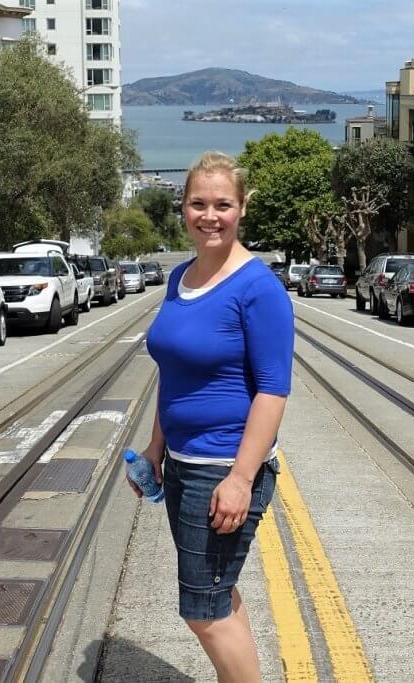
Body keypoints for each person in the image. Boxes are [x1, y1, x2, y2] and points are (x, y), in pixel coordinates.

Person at [134, 151, 294, 682]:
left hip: (223, 469)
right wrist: (156, 448)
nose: (210, 215)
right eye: (198, 203)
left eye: (222, 204)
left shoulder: (258, 288)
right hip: (181, 466)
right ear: (182, 208)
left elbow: (272, 391)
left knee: (201, 609)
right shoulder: (180, 277)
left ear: (242, 208)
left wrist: (241, 479)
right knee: (216, 596)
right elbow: (175, 373)